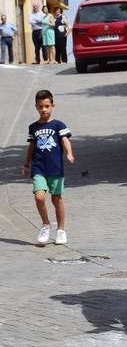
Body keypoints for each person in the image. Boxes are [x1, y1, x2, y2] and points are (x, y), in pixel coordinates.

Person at [21, 89, 73, 246]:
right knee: (39, 197)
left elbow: (65, 140)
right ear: (36, 107)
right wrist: (26, 164)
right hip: (39, 168)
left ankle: (61, 230)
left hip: (55, 168)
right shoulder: (33, 127)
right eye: (40, 106)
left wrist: (69, 153)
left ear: (52, 106)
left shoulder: (58, 125)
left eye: (46, 106)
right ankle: (45, 225)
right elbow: (31, 147)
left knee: (56, 199)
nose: (44, 109)